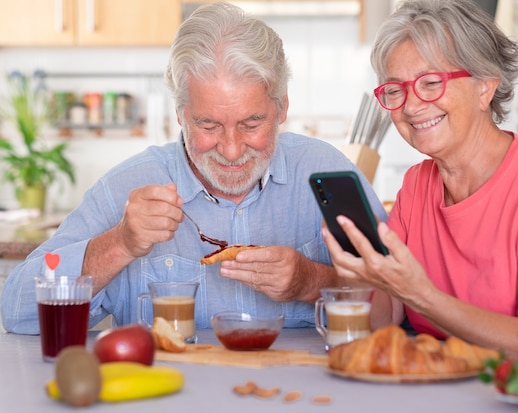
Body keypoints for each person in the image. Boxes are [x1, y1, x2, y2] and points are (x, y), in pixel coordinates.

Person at [1, 2, 386, 334]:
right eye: (208, 125)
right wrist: (120, 243)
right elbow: (17, 314)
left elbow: (394, 313)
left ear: (282, 107)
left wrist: (311, 281)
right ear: (180, 115)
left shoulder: (328, 175)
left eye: (252, 124)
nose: (232, 149)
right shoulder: (126, 187)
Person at [322, 0, 518, 365]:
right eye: (394, 89)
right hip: (466, 391)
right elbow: (385, 319)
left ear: (485, 87)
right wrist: (357, 273)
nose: (411, 106)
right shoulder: (417, 186)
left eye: (431, 82)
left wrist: (423, 296)